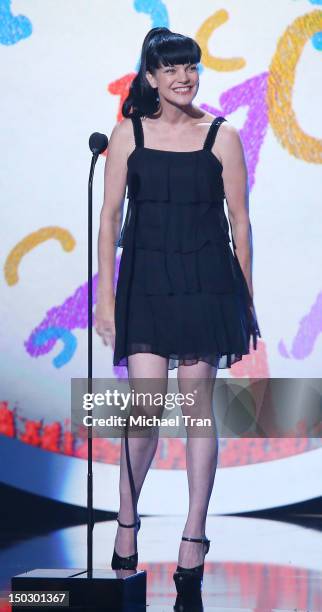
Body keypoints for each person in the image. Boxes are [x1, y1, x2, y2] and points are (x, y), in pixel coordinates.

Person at [94, 27, 261, 595]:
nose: (183, 77)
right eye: (170, 69)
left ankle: (194, 533)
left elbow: (240, 221)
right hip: (146, 284)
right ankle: (126, 520)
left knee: (196, 412)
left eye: (190, 66)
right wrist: (105, 299)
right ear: (150, 78)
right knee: (144, 410)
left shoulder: (222, 134)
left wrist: (246, 298)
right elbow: (109, 220)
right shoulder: (127, 134)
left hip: (207, 284)